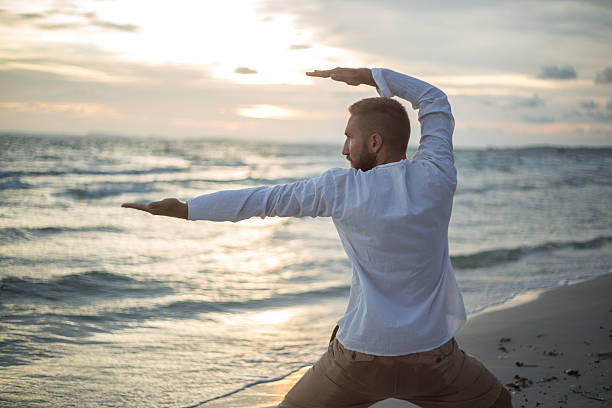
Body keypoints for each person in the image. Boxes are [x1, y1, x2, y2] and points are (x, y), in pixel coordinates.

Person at [122, 67, 512, 408]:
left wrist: (189, 208)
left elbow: (263, 200)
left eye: (350, 137)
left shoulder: (340, 189)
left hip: (359, 358)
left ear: (374, 142)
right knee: (498, 402)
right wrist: (371, 76)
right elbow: (434, 100)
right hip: (434, 360)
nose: (344, 149)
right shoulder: (437, 175)